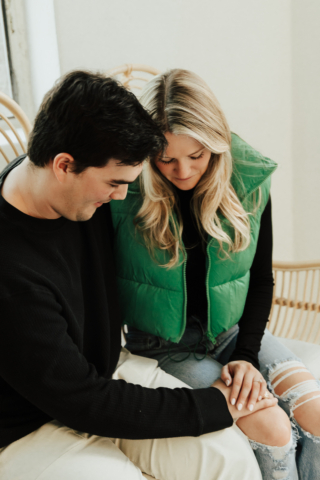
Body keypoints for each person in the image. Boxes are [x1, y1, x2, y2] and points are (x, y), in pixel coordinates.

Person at [0, 70, 273, 480]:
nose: (121, 196)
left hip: (106, 373)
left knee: (230, 460)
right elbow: (81, 401)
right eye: (114, 183)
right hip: (30, 425)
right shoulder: (11, 271)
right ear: (64, 165)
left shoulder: (72, 188)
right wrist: (216, 403)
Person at [111, 69, 320, 480]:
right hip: (165, 345)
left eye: (197, 156)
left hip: (233, 333)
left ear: (217, 146)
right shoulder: (121, 192)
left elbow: (261, 279)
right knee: (272, 429)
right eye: (165, 158)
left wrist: (245, 357)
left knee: (314, 411)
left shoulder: (249, 181)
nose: (183, 171)